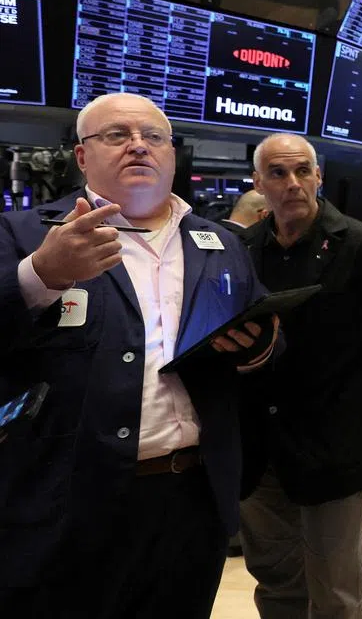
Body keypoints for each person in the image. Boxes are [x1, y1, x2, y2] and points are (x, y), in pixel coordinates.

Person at [0, 93, 277, 618]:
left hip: (192, 497)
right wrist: (43, 275)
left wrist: (260, 346)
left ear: (172, 153)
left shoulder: (217, 241)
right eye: (115, 136)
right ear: (82, 157)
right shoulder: (25, 233)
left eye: (153, 137)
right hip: (68, 501)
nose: (137, 147)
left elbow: (262, 330)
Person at [238, 134, 362, 619]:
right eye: (278, 174)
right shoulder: (240, 249)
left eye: (302, 172)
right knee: (276, 587)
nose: (293, 184)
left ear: (319, 176)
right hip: (259, 449)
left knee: (337, 594)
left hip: (334, 445)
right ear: (258, 183)